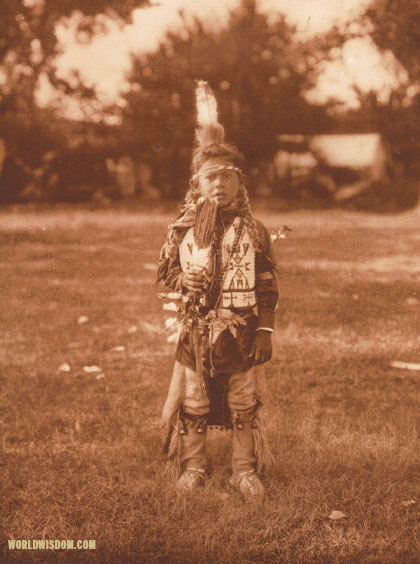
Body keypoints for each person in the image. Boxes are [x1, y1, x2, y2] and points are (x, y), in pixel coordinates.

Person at [158, 81, 278, 500]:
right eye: (211, 177)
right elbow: (166, 274)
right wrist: (181, 281)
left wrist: (265, 331)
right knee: (194, 401)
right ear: (198, 184)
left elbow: (267, 285)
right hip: (194, 332)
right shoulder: (183, 230)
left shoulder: (254, 231)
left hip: (242, 332)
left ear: (240, 182)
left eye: (228, 176)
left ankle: (244, 470)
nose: (220, 184)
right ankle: (194, 466)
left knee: (243, 402)